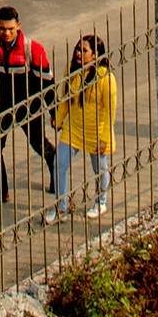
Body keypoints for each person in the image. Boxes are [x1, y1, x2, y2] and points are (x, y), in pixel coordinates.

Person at [0, 5, 51, 206]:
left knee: (39, 144)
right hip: (3, 104)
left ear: (18, 26)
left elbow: (47, 83)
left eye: (11, 29)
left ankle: (56, 171)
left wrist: (55, 113)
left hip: (28, 104)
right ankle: (0, 189)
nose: (7, 33)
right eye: (2, 29)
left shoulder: (33, 49)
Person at [48, 33, 118, 223]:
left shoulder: (105, 77)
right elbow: (65, 99)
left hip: (96, 131)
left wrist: (104, 138)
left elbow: (110, 111)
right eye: (78, 49)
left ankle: (101, 202)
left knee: (100, 169)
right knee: (59, 164)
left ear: (95, 55)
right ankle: (61, 208)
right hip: (74, 128)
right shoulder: (71, 71)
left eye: (84, 50)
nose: (79, 53)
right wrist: (59, 119)